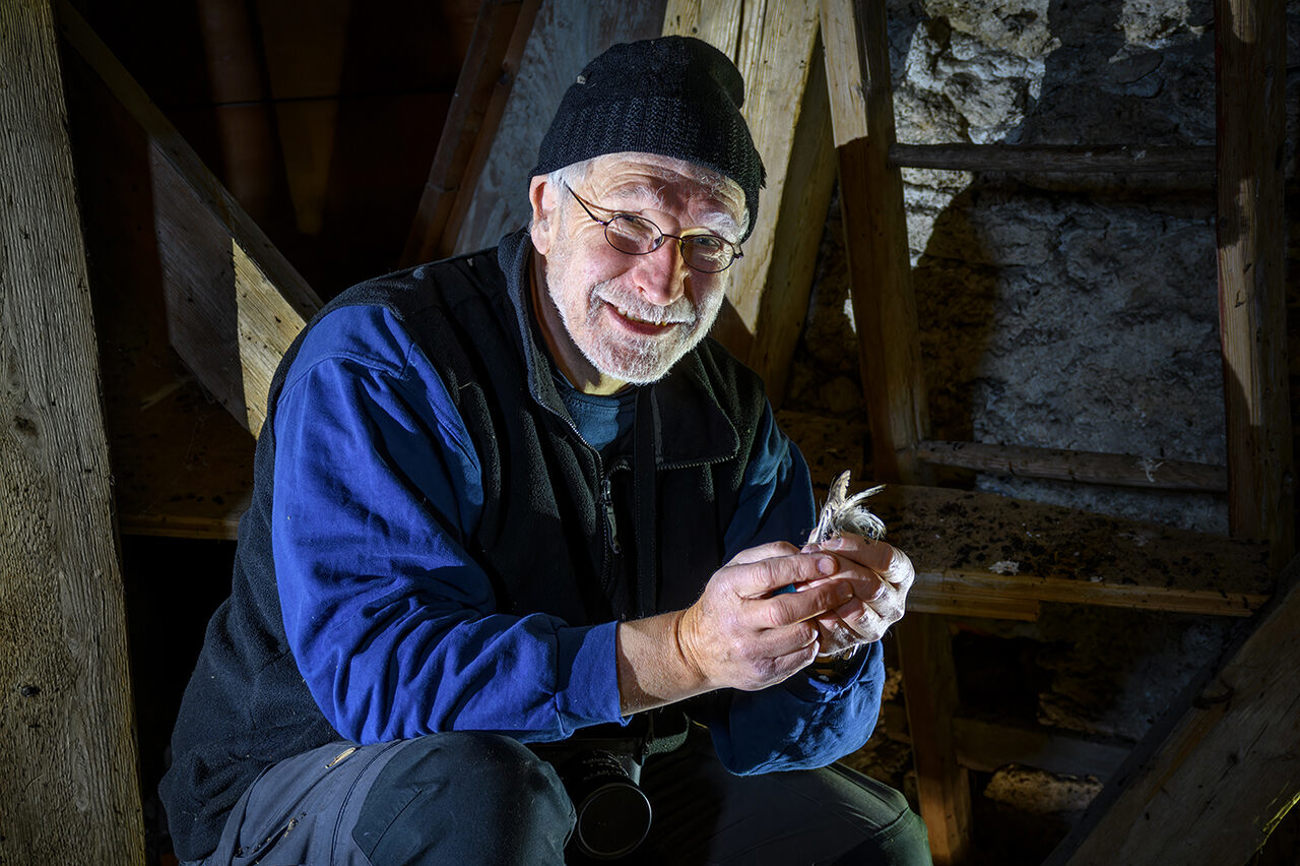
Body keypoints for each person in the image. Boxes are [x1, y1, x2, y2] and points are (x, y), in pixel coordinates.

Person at [161, 35, 932, 865]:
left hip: (599, 769)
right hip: (324, 780)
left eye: (707, 243)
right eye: (631, 223)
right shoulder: (386, 359)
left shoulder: (729, 415)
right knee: (481, 803)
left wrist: (821, 645)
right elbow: (384, 683)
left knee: (868, 839)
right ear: (545, 210)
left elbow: (769, 737)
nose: (663, 280)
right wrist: (684, 652)